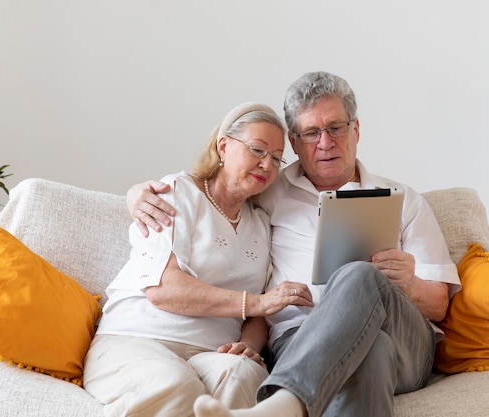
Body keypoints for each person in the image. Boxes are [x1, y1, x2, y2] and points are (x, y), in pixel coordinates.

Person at [126, 72, 461, 417]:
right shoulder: (269, 189)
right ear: (295, 142)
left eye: (336, 128)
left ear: (356, 130)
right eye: (311, 133)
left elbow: (438, 306)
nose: (325, 142)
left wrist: (409, 284)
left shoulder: (405, 200)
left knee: (359, 274)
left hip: (405, 341)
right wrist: (136, 195)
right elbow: (216, 188)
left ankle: (283, 403)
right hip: (298, 338)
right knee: (370, 351)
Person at [83, 102, 313, 417]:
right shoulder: (176, 192)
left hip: (211, 352)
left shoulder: (261, 223)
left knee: (243, 375)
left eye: (276, 158)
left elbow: (260, 315)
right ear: (223, 146)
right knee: (177, 385)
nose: (267, 165)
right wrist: (258, 303)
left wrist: (249, 345)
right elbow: (164, 289)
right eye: (258, 150)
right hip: (137, 340)